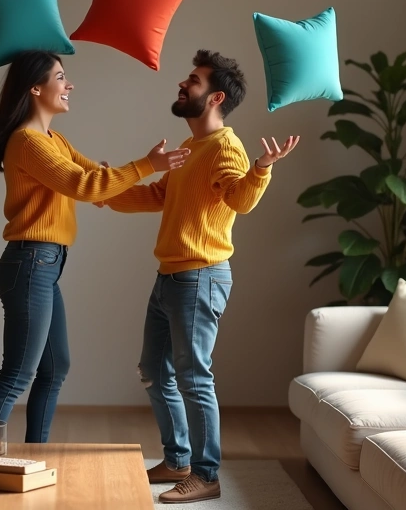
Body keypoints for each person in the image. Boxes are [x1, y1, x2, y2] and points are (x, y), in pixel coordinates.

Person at [96, 49, 299, 504]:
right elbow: (158, 196)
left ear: (215, 97)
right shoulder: (191, 150)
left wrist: (261, 169)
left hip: (200, 277)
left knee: (193, 377)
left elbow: (239, 200)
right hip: (171, 276)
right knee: (154, 371)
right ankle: (178, 461)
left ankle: (206, 475)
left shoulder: (225, 148)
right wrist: (106, 192)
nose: (182, 84)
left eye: (193, 80)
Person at [0, 49, 191, 443]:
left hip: (44, 265)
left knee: (55, 368)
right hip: (31, 262)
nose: (69, 84)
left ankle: (36, 453)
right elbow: (84, 186)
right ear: (35, 88)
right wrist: (145, 166)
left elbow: (99, 181)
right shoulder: (27, 142)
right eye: (60, 77)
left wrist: (159, 192)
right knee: (18, 373)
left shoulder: (54, 140)